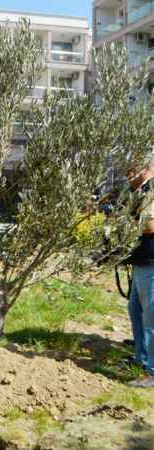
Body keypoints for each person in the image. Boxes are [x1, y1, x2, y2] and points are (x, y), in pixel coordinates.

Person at [125, 158, 154, 388]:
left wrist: (125, 223)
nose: (128, 174)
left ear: (145, 168)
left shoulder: (152, 189)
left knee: (150, 317)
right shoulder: (140, 191)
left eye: (131, 169)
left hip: (151, 262)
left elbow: (150, 225)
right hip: (141, 261)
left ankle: (151, 371)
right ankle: (141, 359)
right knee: (135, 310)